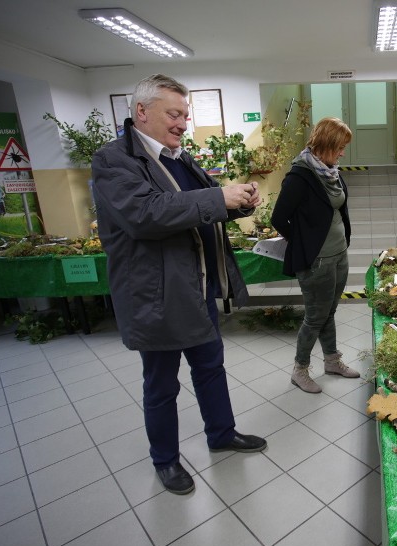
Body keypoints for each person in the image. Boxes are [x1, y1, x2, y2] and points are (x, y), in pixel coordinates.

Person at [91, 74, 267, 495]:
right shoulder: (114, 160)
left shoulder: (178, 159)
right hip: (156, 297)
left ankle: (221, 433)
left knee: (210, 368)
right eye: (174, 114)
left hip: (196, 287)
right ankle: (165, 460)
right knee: (162, 383)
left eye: (185, 115)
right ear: (141, 112)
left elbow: (199, 209)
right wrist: (216, 198)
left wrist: (237, 203)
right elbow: (145, 214)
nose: (182, 123)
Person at [270, 117, 361, 394]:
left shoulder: (330, 170)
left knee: (329, 311)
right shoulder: (301, 175)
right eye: (340, 146)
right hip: (317, 261)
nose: (343, 152)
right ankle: (300, 369)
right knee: (315, 316)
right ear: (327, 144)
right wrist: (305, 243)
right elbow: (279, 217)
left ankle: (332, 361)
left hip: (339, 254)